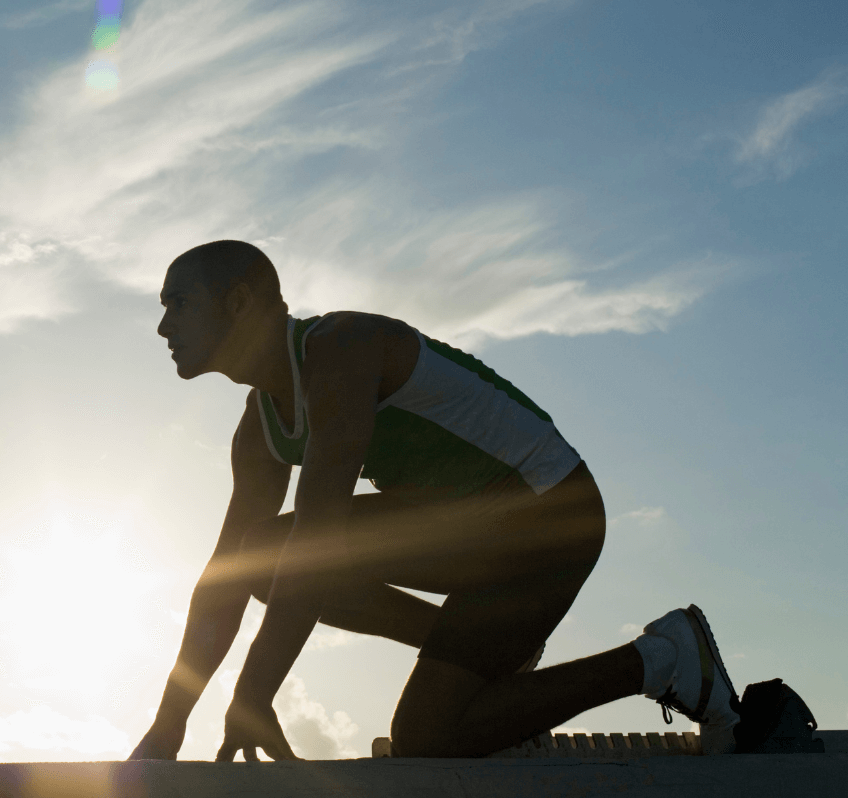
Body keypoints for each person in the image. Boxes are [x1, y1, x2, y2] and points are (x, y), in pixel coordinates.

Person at [128, 240, 740, 761]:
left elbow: (316, 542)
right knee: (427, 736)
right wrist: (167, 728)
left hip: (552, 513)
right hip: (476, 542)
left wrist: (255, 694)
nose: (162, 327)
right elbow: (222, 582)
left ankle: (637, 659)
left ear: (237, 302)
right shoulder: (259, 429)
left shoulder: (341, 348)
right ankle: (659, 658)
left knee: (278, 551)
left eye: (177, 304)